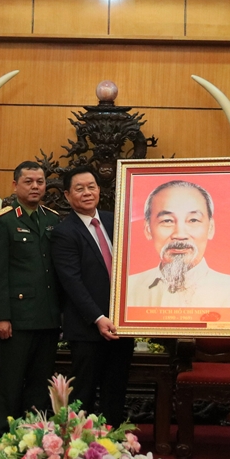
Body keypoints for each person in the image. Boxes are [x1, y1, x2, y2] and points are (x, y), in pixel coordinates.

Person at [51, 166, 134, 427]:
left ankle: (113, 442)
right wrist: (98, 318)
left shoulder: (115, 221)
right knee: (83, 394)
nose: (87, 193)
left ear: (99, 190)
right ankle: (79, 444)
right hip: (87, 329)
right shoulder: (64, 232)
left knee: (115, 391)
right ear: (67, 195)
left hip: (121, 326)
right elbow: (72, 282)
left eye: (91, 187)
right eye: (79, 188)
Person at [0, 160, 61, 437]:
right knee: (10, 384)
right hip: (15, 320)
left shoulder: (52, 219)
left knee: (40, 386)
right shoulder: (2, 221)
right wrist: (0, 317)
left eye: (40, 182)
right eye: (28, 181)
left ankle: (34, 440)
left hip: (47, 318)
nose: (35, 186)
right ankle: (3, 441)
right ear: (15, 185)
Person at [126, 180, 230, 308]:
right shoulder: (128, 288)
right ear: (148, 229)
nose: (180, 234)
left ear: (210, 228)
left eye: (193, 220)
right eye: (167, 221)